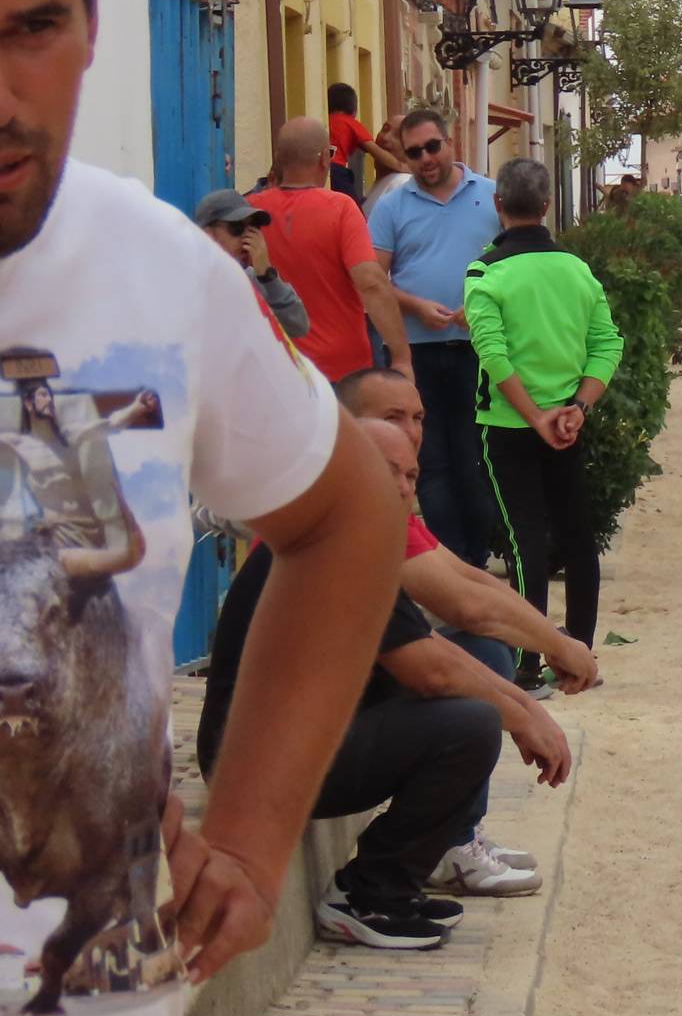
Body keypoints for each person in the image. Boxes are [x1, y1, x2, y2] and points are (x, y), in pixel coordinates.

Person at [0, 0, 400, 1006]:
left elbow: (346, 521)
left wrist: (252, 834)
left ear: (91, 27)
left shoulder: (163, 272)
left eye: (32, 28)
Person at [196, 469, 573, 947]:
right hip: (254, 767)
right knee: (471, 723)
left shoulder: (352, 529)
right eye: (387, 456)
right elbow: (432, 667)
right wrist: (521, 716)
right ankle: (366, 896)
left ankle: (435, 852)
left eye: (414, 426)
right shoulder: (334, 541)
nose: (407, 469)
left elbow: (431, 644)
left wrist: (527, 709)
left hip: (305, 732)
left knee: (482, 666)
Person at [347, 393, 590, 896]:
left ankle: (446, 841)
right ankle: (375, 887)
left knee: (484, 662)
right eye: (392, 417)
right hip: (290, 749)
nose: (411, 431)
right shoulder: (352, 529)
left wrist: (551, 650)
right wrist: (527, 707)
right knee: (472, 712)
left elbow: (470, 582)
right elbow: (460, 614)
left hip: (324, 720)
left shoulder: (380, 510)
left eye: (418, 417)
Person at [463, 158, 625, 687]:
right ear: (549, 206)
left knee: (522, 541)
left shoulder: (486, 272)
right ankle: (580, 654)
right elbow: (607, 344)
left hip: (510, 424)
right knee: (577, 536)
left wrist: (533, 416)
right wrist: (577, 406)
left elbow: (492, 353)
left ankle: (527, 662)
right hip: (568, 423)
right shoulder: (576, 270)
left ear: (497, 205)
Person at [368, 108, 500, 567]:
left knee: (475, 457)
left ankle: (477, 560)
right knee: (430, 461)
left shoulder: (490, 196)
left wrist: (480, 306)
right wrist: (417, 306)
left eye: (432, 146)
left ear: (451, 142)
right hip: (415, 353)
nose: (425, 158)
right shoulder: (392, 207)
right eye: (414, 152)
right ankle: (450, 561)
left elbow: (513, 269)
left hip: (478, 349)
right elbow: (374, 279)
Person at [250, 118, 413, 386]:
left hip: (275, 365)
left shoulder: (252, 211)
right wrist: (401, 356)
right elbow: (370, 283)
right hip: (340, 368)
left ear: (278, 159)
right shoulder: (341, 209)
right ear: (323, 159)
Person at [192, 186, 310, 341]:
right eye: (237, 228)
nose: (248, 239)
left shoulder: (254, 280)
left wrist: (268, 276)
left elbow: (298, 326)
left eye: (254, 228)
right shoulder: (189, 282)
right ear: (208, 234)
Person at [325, 83, 402, 204]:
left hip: (322, 170)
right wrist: (401, 166)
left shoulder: (325, 120)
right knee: (354, 210)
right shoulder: (351, 123)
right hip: (337, 171)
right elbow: (374, 150)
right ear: (354, 111)